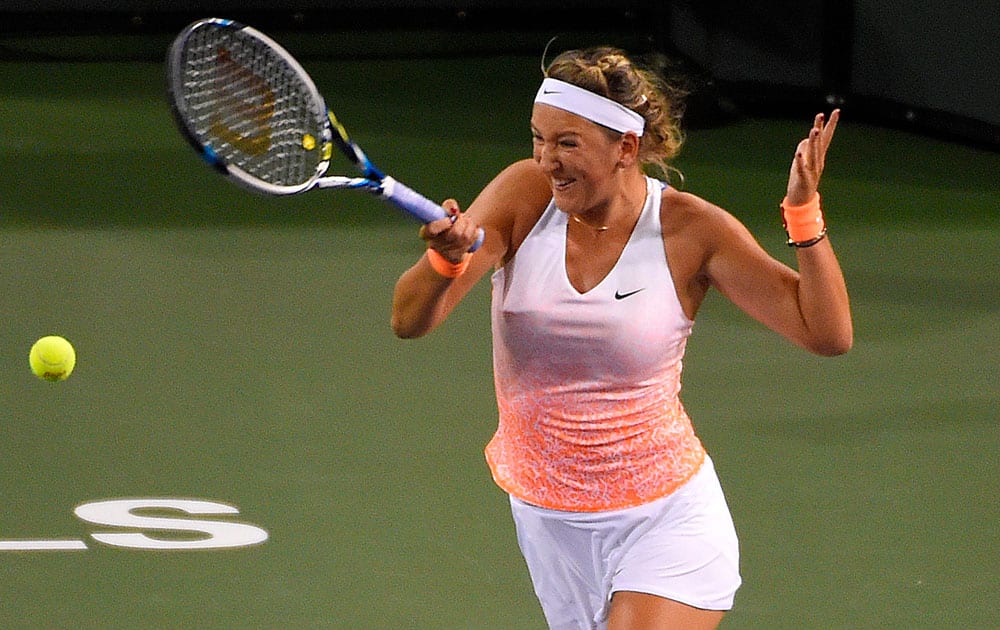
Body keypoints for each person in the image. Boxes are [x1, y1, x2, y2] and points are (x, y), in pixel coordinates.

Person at [391, 46, 852, 630]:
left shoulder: (692, 230)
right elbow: (410, 320)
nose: (546, 160)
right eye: (538, 138)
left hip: (665, 520)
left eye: (567, 143)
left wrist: (803, 211)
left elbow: (827, 332)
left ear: (625, 148)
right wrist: (445, 262)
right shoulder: (523, 196)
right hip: (548, 524)